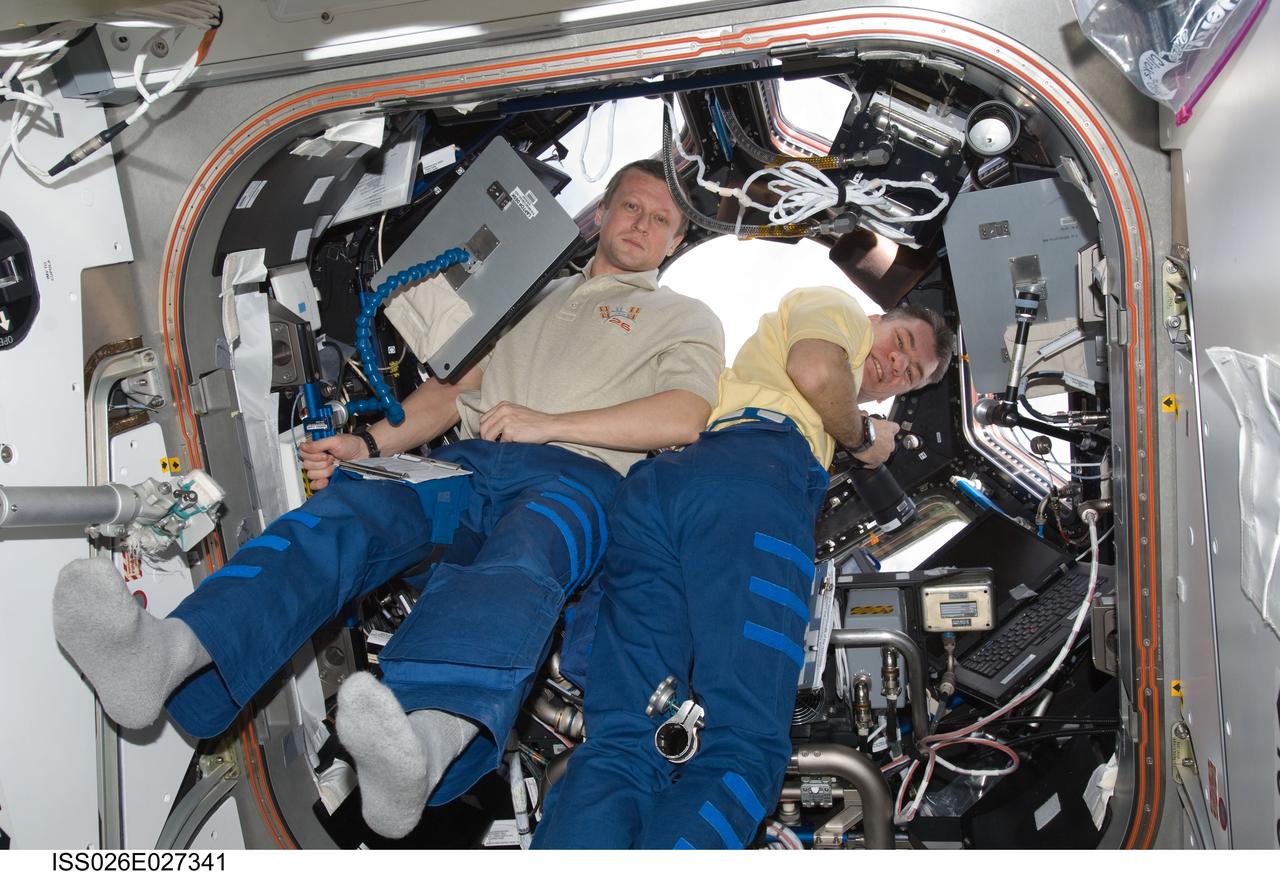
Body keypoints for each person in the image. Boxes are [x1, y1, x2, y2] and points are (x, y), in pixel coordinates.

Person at [51, 159, 724, 839]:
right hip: (472, 461)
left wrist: (549, 424)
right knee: (354, 507)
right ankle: (168, 654)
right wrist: (369, 445)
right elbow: (448, 392)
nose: (641, 223)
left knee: (522, 561)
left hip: (581, 482)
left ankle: (419, 750)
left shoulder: (684, 316)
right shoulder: (533, 290)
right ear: (603, 214)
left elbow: (684, 415)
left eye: (661, 219)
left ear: (675, 243)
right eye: (631, 206)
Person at [532, 287, 954, 849]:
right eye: (901, 342)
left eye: (912, 375)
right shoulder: (840, 312)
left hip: (666, 491)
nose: (899, 364)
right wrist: (864, 439)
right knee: (745, 746)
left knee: (625, 739)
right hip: (753, 484)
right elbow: (816, 372)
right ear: (875, 319)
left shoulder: (784, 386)